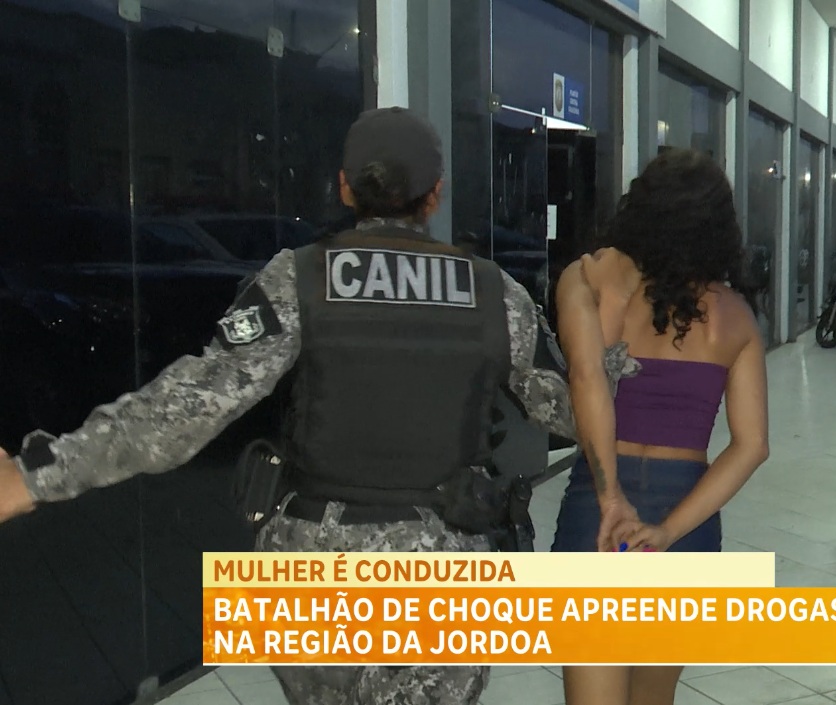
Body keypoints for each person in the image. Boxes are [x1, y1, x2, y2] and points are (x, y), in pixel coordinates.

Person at [0, 107, 632, 705]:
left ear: (345, 188)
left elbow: (184, 410)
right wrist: (608, 346)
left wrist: (38, 475)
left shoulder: (297, 278)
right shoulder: (496, 293)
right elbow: (574, 414)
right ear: (435, 195)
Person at [551, 148, 771, 705]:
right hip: (687, 513)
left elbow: (588, 378)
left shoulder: (595, 284)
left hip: (597, 505)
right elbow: (751, 446)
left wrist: (611, 498)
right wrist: (669, 532)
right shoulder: (736, 317)